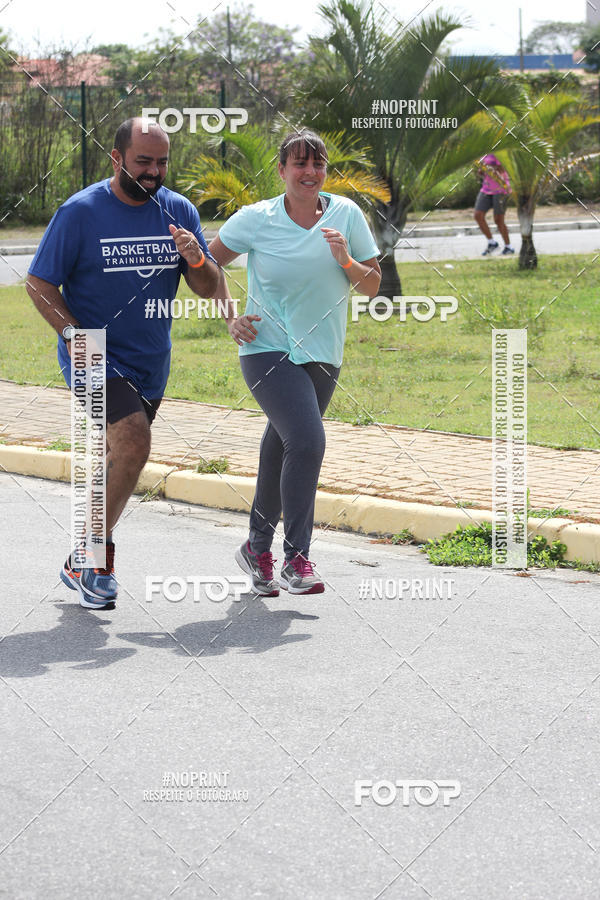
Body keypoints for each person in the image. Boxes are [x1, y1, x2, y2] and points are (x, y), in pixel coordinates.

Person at [26, 117, 219, 610]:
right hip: (93, 350)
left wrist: (197, 260)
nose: (154, 172)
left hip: (151, 359)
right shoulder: (80, 213)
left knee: (121, 456)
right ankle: (93, 558)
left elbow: (207, 286)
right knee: (134, 440)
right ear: (116, 158)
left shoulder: (178, 210)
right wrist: (73, 335)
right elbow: (39, 284)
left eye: (161, 162)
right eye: (143, 162)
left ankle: (82, 553)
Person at [208, 129, 381, 596]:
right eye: (300, 164)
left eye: (318, 164)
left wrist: (345, 258)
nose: (310, 172)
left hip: (324, 350)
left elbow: (372, 285)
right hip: (267, 347)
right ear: (281, 170)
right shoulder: (256, 219)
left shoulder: (347, 214)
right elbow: (207, 265)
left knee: (281, 447)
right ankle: (296, 558)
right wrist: (230, 317)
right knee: (306, 442)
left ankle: (255, 548)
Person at [474, 153, 515, 256]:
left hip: (501, 189)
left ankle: (508, 246)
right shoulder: (484, 153)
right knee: (478, 215)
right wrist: (481, 171)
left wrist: (489, 167)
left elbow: (502, 170)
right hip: (486, 189)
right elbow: (482, 171)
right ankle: (492, 243)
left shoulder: (500, 152)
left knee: (498, 220)